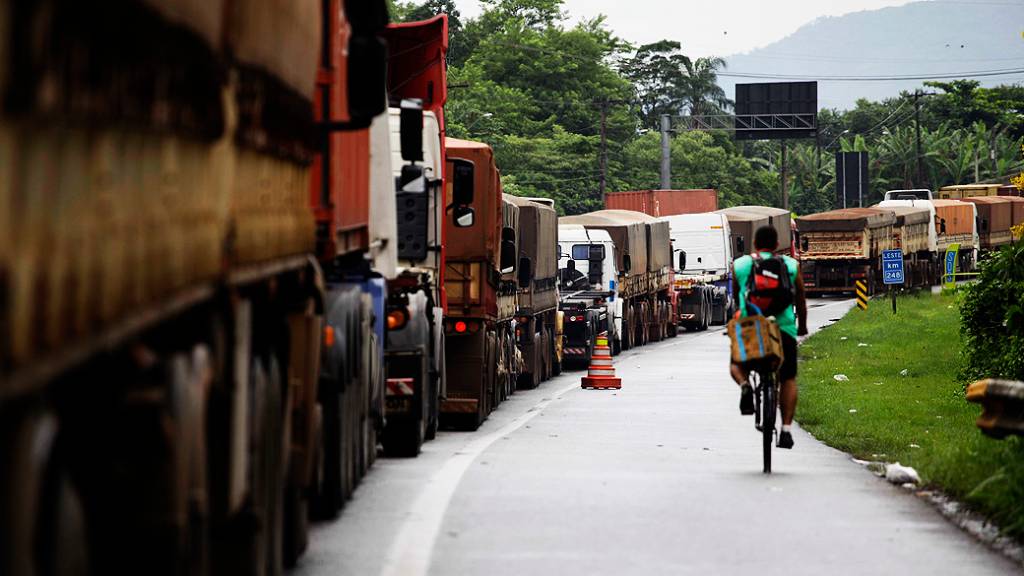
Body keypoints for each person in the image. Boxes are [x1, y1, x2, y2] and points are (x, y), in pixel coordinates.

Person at [730, 226, 808, 449]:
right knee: (788, 377)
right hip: (783, 329)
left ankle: (745, 385)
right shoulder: (791, 265)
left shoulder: (740, 265)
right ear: (776, 245)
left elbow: (736, 298)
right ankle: (786, 430)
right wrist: (802, 327)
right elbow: (800, 300)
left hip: (752, 328)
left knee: (737, 364)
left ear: (755, 244)